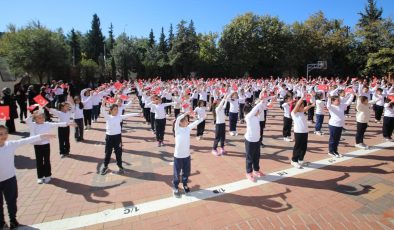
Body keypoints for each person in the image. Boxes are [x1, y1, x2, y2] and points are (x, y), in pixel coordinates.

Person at [0, 125, 54, 230]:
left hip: (10, 179)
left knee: (11, 201)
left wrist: (42, 135)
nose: (4, 136)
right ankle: (1, 223)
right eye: (0, 134)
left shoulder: (10, 144)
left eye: (5, 133)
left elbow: (26, 140)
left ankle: (13, 220)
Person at [26, 110, 74, 184]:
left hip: (46, 145)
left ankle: (48, 175)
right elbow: (27, 121)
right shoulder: (33, 125)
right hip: (37, 145)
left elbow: (58, 124)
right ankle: (40, 177)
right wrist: (32, 115)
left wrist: (68, 123)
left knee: (47, 160)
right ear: (35, 119)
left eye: (42, 117)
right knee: (39, 161)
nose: (41, 119)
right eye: (38, 118)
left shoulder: (47, 124)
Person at [100, 100, 140, 175]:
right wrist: (103, 103)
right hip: (109, 137)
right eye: (115, 109)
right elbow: (102, 110)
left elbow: (128, 115)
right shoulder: (108, 117)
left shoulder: (119, 117)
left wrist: (137, 113)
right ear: (111, 110)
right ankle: (105, 166)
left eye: (117, 109)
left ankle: (120, 166)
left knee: (118, 152)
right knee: (108, 152)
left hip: (117, 137)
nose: (116, 111)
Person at [172, 111, 205, 197]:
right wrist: (185, 114)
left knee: (186, 172)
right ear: (181, 122)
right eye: (186, 120)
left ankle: (185, 184)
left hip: (187, 156)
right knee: (176, 173)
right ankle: (175, 186)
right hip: (178, 157)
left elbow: (196, 122)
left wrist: (202, 118)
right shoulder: (177, 129)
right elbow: (177, 119)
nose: (188, 122)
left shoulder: (187, 128)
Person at [327, 91, 355, 158]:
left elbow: (348, 103)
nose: (339, 101)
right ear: (333, 102)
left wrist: (352, 95)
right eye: (337, 101)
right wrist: (328, 98)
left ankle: (335, 151)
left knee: (337, 139)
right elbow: (328, 105)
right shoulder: (331, 107)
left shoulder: (342, 105)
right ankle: (331, 151)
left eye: (339, 100)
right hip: (333, 125)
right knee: (333, 139)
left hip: (340, 125)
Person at [290, 95, 314, 169]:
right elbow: (297, 105)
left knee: (304, 147)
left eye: (303, 106)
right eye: (301, 106)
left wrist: (311, 105)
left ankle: (300, 159)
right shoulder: (294, 113)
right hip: (298, 132)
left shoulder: (302, 112)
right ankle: (294, 160)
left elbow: (306, 108)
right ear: (297, 107)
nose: (303, 107)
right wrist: (302, 98)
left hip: (305, 131)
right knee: (298, 147)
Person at [244, 100, 265, 182]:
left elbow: (261, 108)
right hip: (250, 140)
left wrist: (265, 102)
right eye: (255, 110)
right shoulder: (248, 117)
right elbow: (255, 109)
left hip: (257, 140)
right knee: (250, 158)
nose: (257, 111)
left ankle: (256, 170)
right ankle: (249, 173)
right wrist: (260, 102)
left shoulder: (256, 116)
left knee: (257, 156)